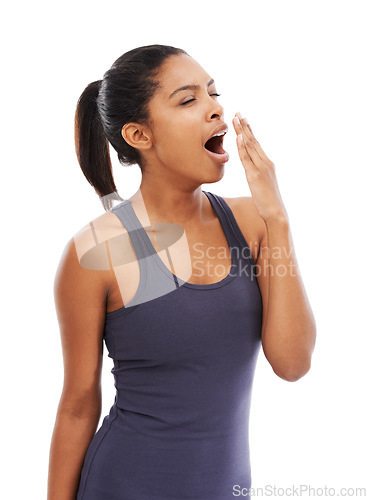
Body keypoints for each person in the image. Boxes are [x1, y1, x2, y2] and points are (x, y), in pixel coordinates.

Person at [47, 44, 316, 500]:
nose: (216, 109)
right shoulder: (96, 252)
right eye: (189, 100)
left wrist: (279, 220)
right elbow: (77, 406)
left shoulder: (253, 224)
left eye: (213, 93)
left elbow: (292, 364)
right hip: (122, 485)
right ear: (139, 135)